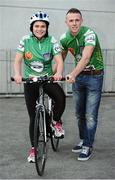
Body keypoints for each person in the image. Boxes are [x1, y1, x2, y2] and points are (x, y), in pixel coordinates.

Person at [13, 11, 66, 163]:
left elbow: (59, 60)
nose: (40, 29)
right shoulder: (25, 40)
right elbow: (17, 60)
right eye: (37, 26)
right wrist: (17, 74)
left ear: (46, 27)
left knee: (61, 98)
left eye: (43, 26)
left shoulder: (52, 41)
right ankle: (34, 149)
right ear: (32, 27)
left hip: (47, 79)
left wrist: (59, 73)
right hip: (30, 81)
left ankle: (55, 122)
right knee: (33, 118)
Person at [60, 8, 104, 161]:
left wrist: (72, 74)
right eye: (71, 20)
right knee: (79, 114)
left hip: (94, 77)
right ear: (66, 22)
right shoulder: (64, 38)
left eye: (77, 20)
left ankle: (88, 145)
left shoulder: (89, 34)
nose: (74, 23)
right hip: (79, 78)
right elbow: (60, 60)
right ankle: (83, 139)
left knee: (90, 115)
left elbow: (85, 58)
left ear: (81, 21)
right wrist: (53, 74)